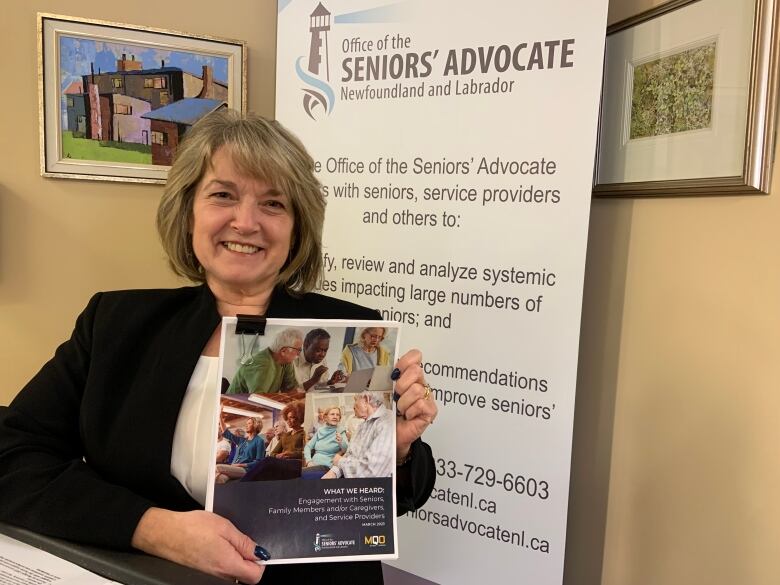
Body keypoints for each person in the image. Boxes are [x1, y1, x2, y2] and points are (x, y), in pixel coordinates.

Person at [0, 109, 437, 584]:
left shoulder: (353, 326)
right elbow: (12, 455)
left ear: (297, 228)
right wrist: (152, 529)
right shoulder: (115, 324)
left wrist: (393, 452)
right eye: (223, 195)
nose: (245, 222)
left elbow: (394, 497)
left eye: (273, 204)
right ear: (188, 210)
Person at [323, 392, 394, 479]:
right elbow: (349, 455)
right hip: (348, 476)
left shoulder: (388, 421)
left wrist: (340, 461)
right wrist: (333, 473)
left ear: (366, 399)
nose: (353, 406)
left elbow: (371, 471)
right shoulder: (362, 426)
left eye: (355, 400)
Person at [227, 328, 302, 394]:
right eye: (298, 350)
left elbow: (290, 389)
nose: (299, 353)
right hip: (233, 406)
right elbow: (257, 400)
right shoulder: (261, 364)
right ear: (283, 351)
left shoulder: (285, 361)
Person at [215, 414, 266, 483]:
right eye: (246, 423)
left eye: (249, 423)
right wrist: (220, 416)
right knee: (220, 478)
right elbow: (226, 433)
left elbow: (259, 462)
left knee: (217, 467)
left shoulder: (259, 441)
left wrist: (240, 465)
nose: (246, 425)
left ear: (256, 425)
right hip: (234, 467)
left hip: (245, 469)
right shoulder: (242, 440)